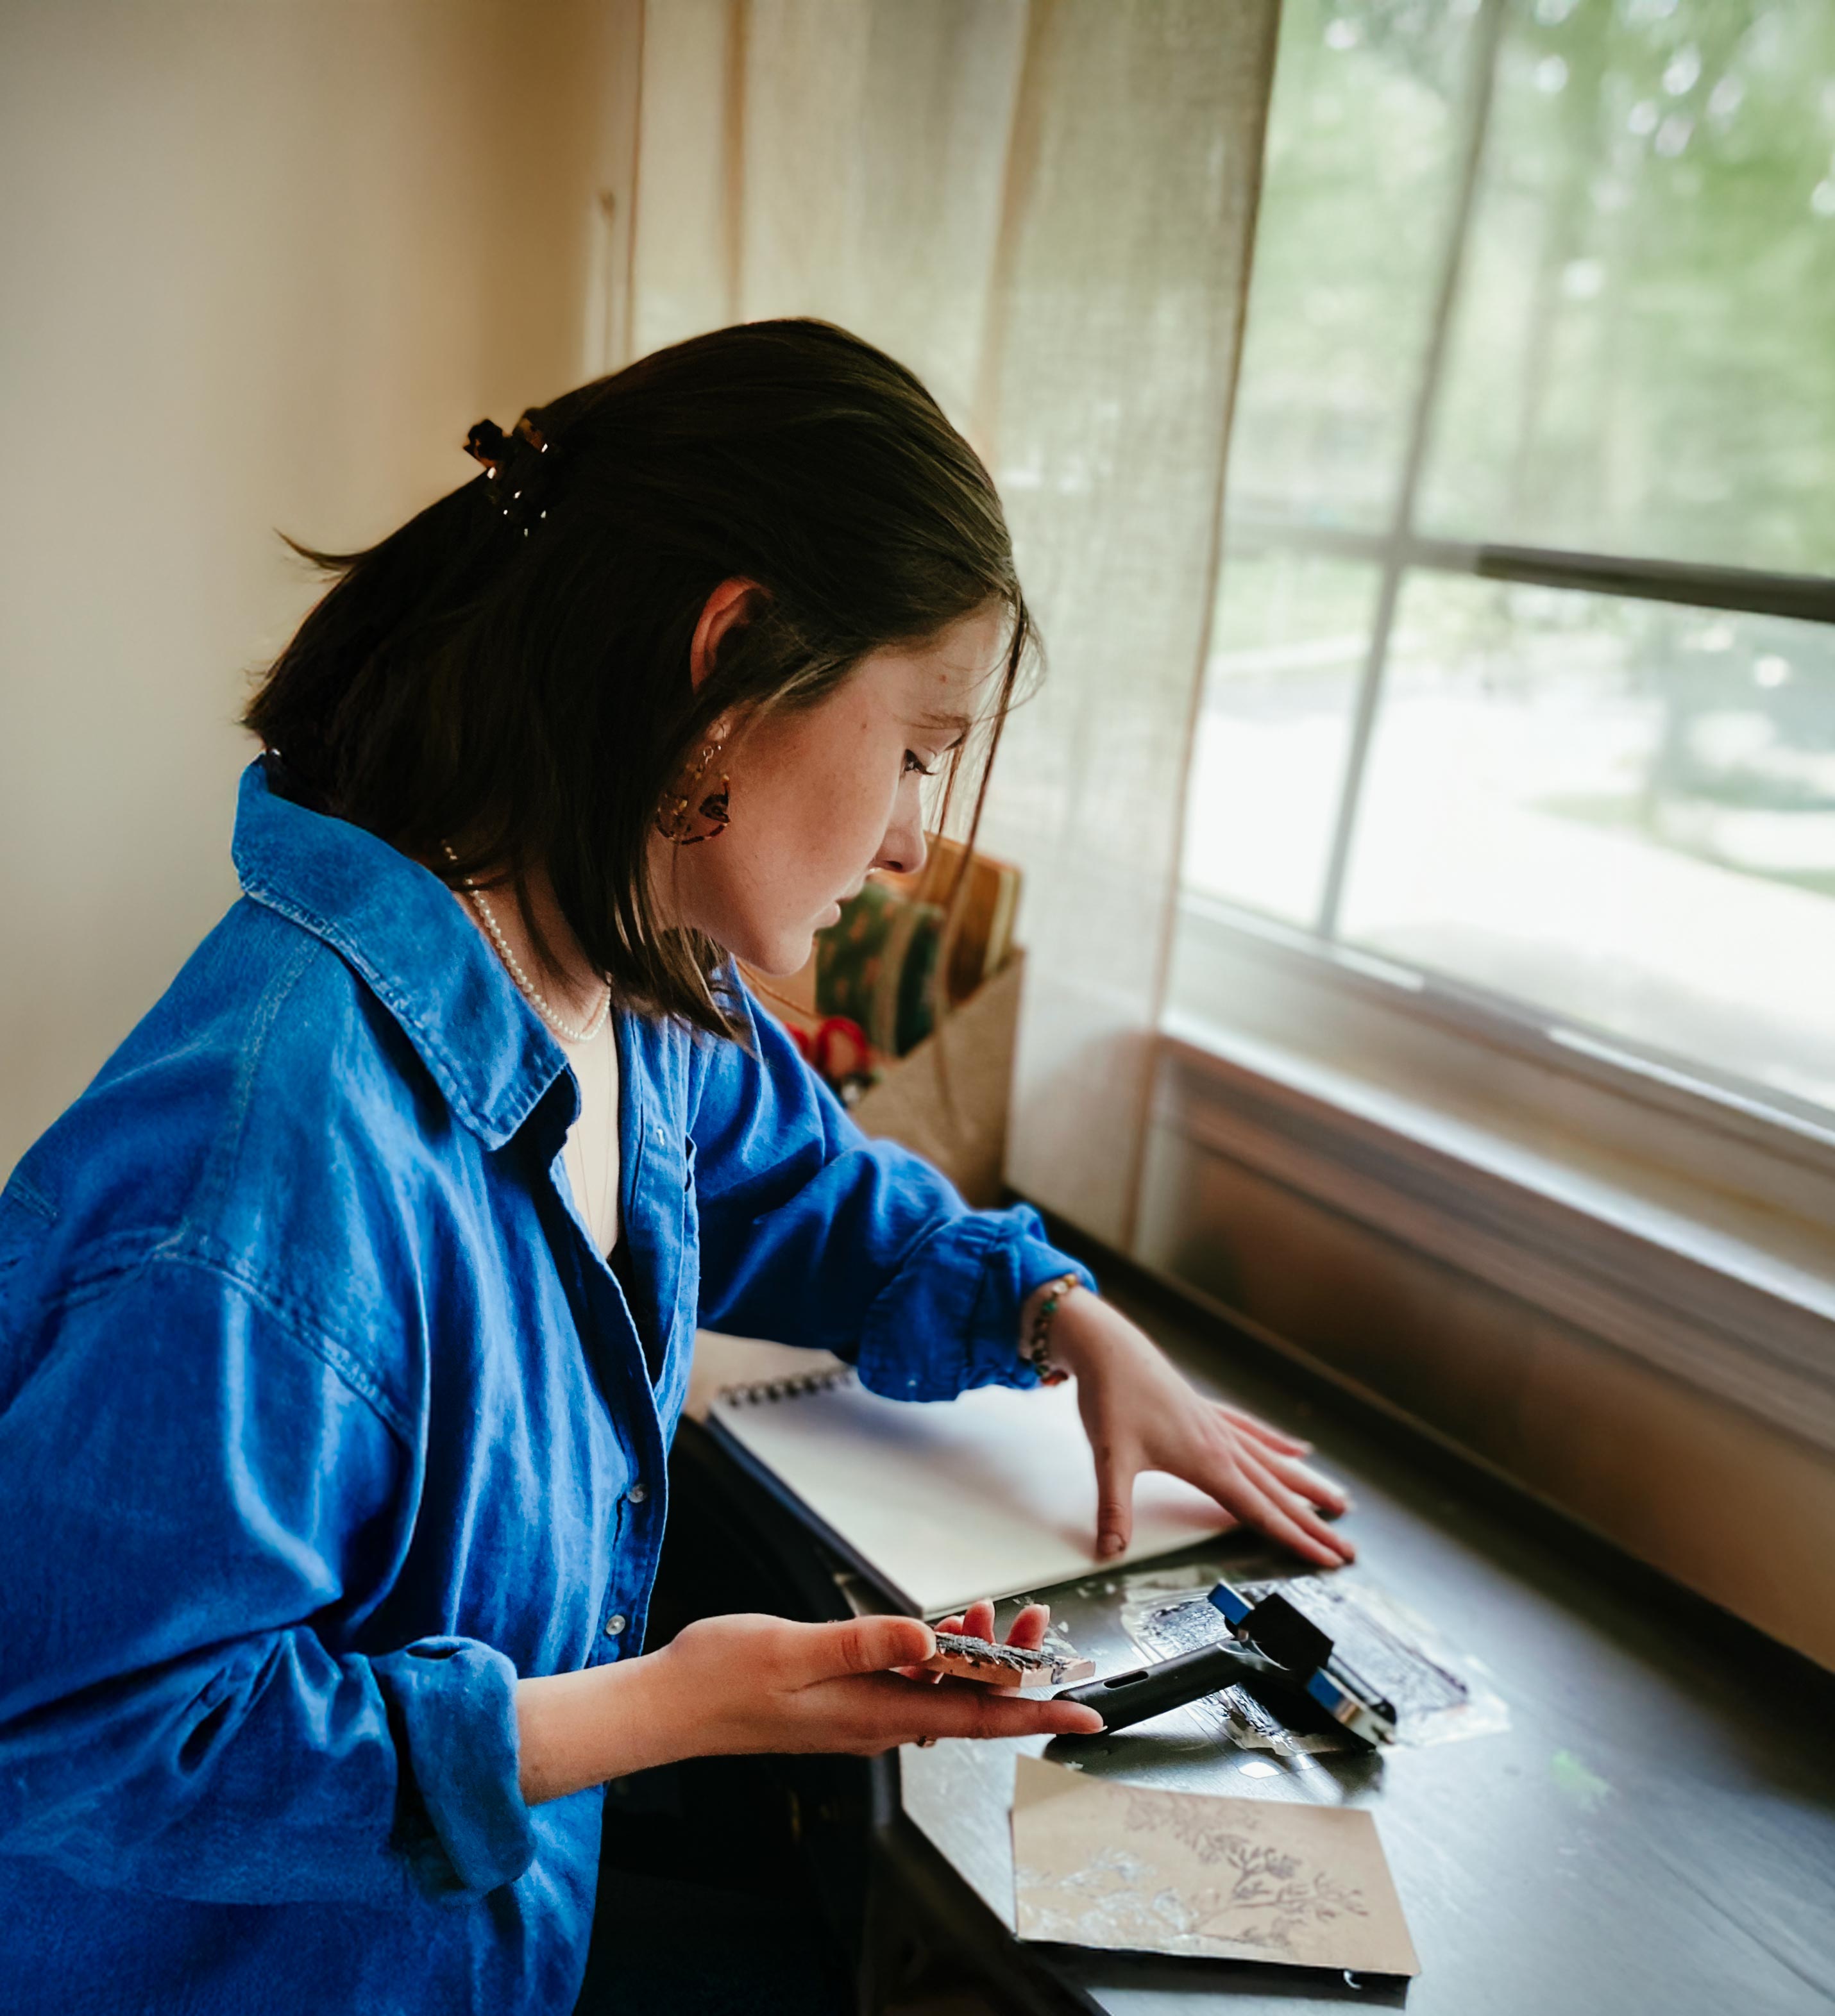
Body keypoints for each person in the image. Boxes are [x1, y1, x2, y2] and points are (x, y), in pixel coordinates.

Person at [0, 319, 1351, 2014]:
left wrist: (1065, 1319)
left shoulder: (629, 985)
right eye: (915, 751)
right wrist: (671, 1707)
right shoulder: (270, 1163)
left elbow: (809, 1194)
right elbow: (88, 1735)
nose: (911, 841)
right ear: (731, 664)